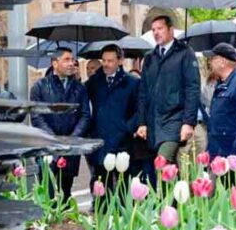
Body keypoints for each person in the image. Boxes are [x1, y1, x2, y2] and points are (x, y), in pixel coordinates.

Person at [136, 14, 201, 167]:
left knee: (162, 161)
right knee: (164, 167)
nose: (156, 33)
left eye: (160, 28)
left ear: (170, 30)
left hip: (175, 119)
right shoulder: (150, 57)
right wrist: (141, 122)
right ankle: (173, 191)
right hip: (153, 121)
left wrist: (188, 122)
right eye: (153, 30)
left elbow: (193, 88)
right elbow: (143, 92)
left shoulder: (185, 53)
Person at [30, 47, 91, 201]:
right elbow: (37, 117)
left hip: (70, 147)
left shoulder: (79, 88)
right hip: (47, 147)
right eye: (66, 59)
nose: (71, 63)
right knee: (48, 193)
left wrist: (72, 138)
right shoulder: (40, 87)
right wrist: (54, 140)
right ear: (55, 63)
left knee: (65, 192)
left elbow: (85, 116)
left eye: (72, 59)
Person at [85, 44, 142, 188]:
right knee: (102, 188)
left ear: (120, 61)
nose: (106, 64)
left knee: (124, 188)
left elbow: (139, 109)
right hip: (101, 142)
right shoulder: (95, 82)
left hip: (123, 143)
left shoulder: (132, 83)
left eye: (110, 61)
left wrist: (127, 128)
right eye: (104, 60)